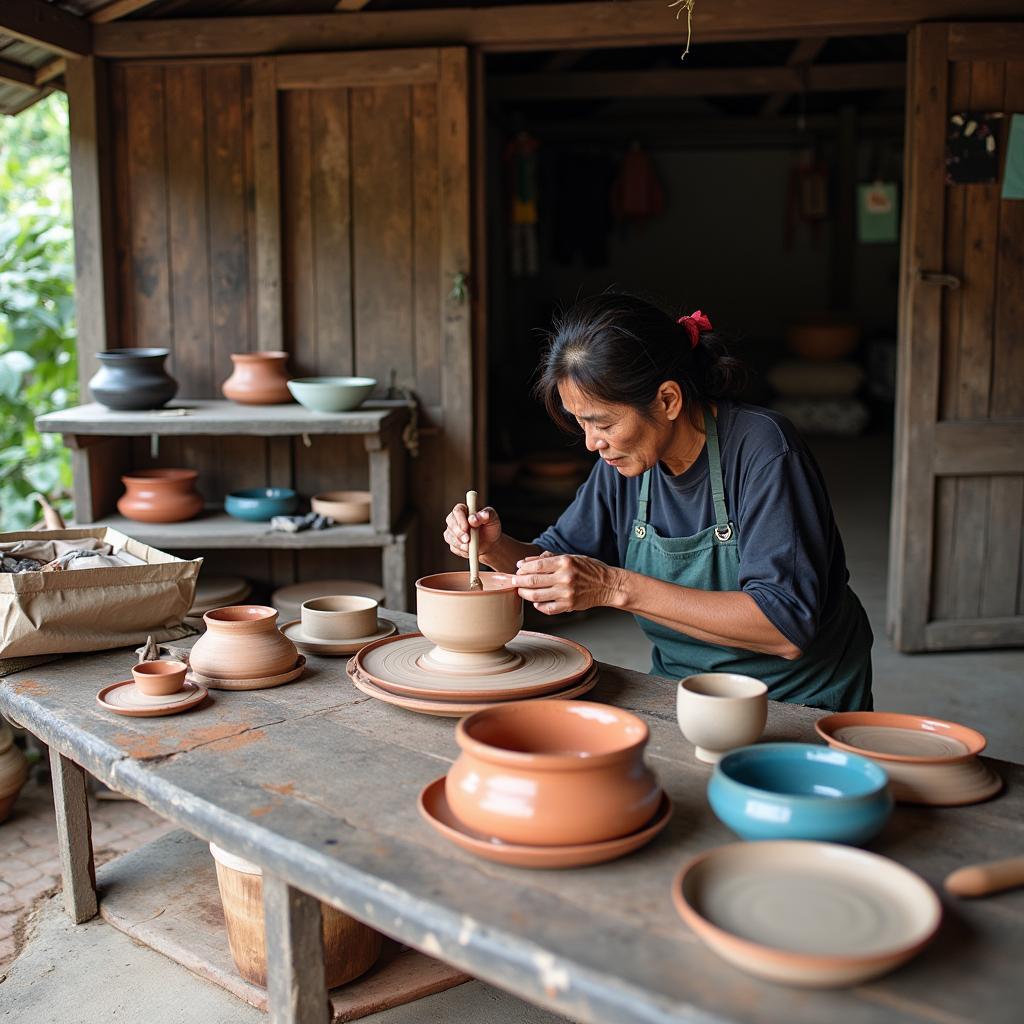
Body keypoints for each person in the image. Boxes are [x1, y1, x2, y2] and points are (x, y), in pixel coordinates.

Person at [444, 293, 873, 712]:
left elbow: (784, 627)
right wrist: (493, 547)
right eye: (581, 425)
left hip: (795, 700)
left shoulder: (764, 451)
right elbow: (556, 561)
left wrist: (615, 587)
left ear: (668, 400)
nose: (593, 444)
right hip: (682, 693)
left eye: (604, 423)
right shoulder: (625, 464)